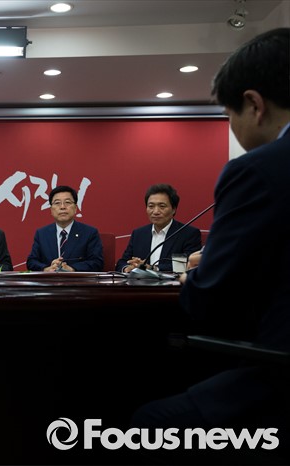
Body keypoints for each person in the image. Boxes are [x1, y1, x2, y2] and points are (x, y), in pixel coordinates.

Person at [131, 28, 290, 459]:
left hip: (277, 371)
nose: (232, 127)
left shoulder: (257, 170)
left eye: (228, 114)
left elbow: (211, 302)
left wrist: (199, 272)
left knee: (146, 423)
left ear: (254, 105)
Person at [116, 183, 202, 273]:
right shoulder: (138, 234)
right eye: (151, 206)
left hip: (172, 282)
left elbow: (189, 264)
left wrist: (153, 268)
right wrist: (128, 268)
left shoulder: (189, 234)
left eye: (162, 206)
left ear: (174, 209)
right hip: (139, 281)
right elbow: (122, 262)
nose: (156, 211)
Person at [27, 185, 103, 272]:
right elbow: (31, 261)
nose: (62, 207)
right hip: (49, 280)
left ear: (75, 208)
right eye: (57, 203)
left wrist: (72, 269)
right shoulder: (42, 234)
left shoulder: (89, 233)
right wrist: (46, 269)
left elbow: (97, 262)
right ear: (51, 210)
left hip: (78, 280)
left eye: (67, 202)